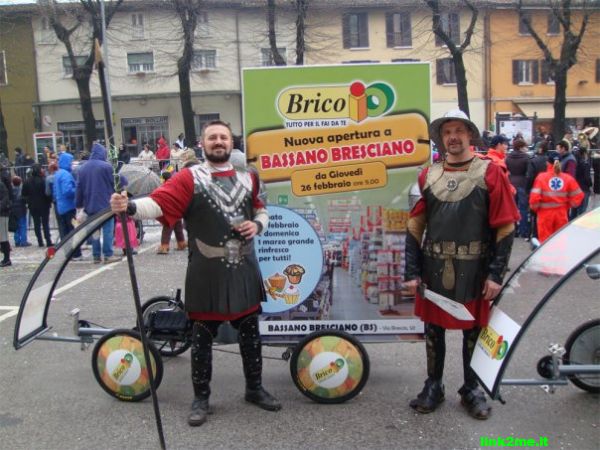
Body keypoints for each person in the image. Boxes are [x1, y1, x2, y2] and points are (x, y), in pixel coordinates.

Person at [110, 119, 280, 426]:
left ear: (231, 143)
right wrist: (130, 207)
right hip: (206, 272)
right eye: (212, 137)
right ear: (203, 144)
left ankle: (254, 389)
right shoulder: (189, 178)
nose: (218, 142)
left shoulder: (250, 176)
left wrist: (257, 225)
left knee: (251, 335)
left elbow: (262, 209)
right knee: (201, 339)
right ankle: (201, 398)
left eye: (223, 137)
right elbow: (158, 204)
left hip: (244, 269)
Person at [404, 109, 519, 420]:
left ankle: (471, 388)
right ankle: (433, 385)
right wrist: (411, 272)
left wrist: (496, 274)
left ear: (470, 134)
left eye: (458, 130)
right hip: (434, 266)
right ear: (441, 138)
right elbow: (415, 226)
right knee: (433, 331)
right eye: (446, 132)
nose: (452, 137)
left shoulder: (491, 172)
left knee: (474, 332)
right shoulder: (427, 176)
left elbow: (505, 226)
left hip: (476, 267)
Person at [75, 143, 122, 264]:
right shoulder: (106, 167)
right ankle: (108, 254)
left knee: (94, 231)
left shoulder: (82, 168)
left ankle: (96, 255)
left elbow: (79, 188)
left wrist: (78, 204)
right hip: (106, 205)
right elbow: (118, 181)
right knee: (107, 230)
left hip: (90, 205)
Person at [529, 156, 584, 242]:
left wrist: (535, 209)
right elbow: (579, 195)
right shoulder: (567, 178)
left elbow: (534, 198)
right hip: (561, 214)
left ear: (547, 163)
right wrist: (567, 206)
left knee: (545, 242)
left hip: (545, 215)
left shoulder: (541, 177)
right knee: (560, 240)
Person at [53, 152, 82, 259]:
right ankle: (76, 253)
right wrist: (77, 190)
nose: (71, 164)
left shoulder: (58, 173)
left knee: (64, 231)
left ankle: (68, 253)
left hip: (61, 206)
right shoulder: (66, 175)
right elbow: (68, 191)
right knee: (73, 231)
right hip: (69, 207)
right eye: (70, 162)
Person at [155, 171, 187, 254]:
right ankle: (181, 243)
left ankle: (164, 246)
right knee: (178, 227)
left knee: (167, 227)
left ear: (163, 179)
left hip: (169, 209)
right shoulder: (176, 184)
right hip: (178, 208)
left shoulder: (164, 186)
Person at [22, 164, 53, 248]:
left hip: (33, 206)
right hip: (44, 205)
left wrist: (29, 201)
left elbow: (23, 195)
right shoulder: (43, 180)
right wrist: (50, 201)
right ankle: (48, 240)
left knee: (36, 224)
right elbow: (47, 193)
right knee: (45, 223)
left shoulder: (27, 181)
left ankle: (40, 241)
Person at [505, 139, 531, 238]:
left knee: (512, 208)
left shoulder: (508, 157)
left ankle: (514, 230)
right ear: (521, 147)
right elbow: (529, 173)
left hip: (511, 183)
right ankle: (523, 231)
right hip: (522, 183)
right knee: (523, 209)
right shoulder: (526, 157)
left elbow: (506, 169)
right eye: (524, 146)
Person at [525, 141, 549, 239]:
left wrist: (527, 190)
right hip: (548, 191)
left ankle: (535, 235)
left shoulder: (533, 161)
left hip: (536, 190)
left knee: (535, 214)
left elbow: (529, 177)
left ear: (540, 149)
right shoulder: (550, 161)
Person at [571, 147, 593, 219]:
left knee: (574, 210)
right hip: (584, 189)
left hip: (575, 189)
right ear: (584, 153)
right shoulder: (585, 164)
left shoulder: (574, 163)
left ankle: (571, 224)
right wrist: (590, 184)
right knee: (582, 211)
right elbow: (587, 177)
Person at [11, 176, 30, 247]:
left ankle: (17, 241)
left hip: (13, 209)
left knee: (16, 226)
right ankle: (23, 241)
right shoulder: (21, 190)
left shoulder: (11, 190)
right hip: (21, 209)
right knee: (22, 225)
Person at [0, 173, 12, 267]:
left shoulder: (1, 185)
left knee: (3, 237)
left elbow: (5, 199)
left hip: (2, 214)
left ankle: (7, 259)